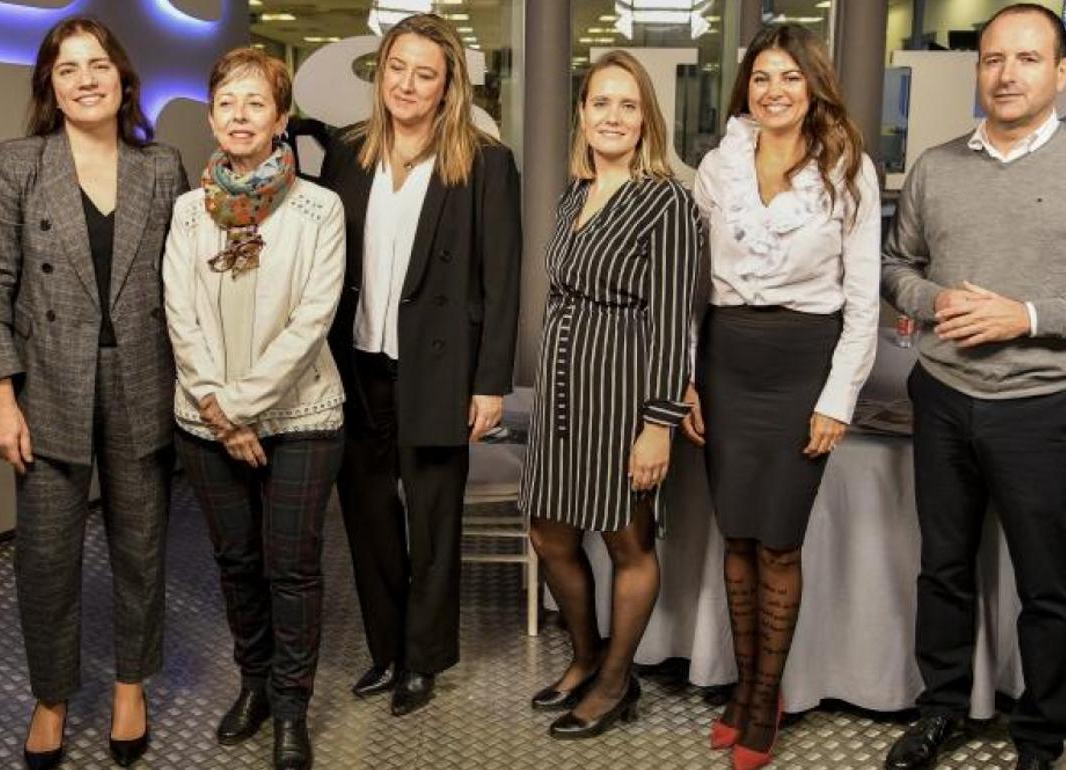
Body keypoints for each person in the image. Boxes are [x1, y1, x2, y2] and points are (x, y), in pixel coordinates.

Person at [881, 6, 1066, 770]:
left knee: (1045, 582)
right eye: (993, 59)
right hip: (941, 397)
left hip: (1040, 407)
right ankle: (942, 709)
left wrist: (1027, 315)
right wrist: (931, 301)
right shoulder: (937, 166)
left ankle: (1041, 739)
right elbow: (895, 266)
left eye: (1028, 59)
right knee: (942, 568)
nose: (1006, 74)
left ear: (1062, 73)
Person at [0, 16, 187, 770]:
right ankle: (50, 696)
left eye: (99, 65)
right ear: (50, 88)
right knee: (46, 560)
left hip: (143, 383)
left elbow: (186, 290)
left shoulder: (163, 167)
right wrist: (0, 398)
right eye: (68, 69)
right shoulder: (17, 163)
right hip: (48, 390)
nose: (86, 78)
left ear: (123, 79)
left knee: (141, 549)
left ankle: (131, 685)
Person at [680, 23, 881, 770]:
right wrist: (688, 379)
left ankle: (767, 698)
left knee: (779, 541)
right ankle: (742, 686)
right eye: (761, 78)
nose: (774, 91)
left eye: (789, 78)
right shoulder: (717, 166)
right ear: (746, 89)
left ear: (813, 85)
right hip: (728, 359)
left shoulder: (848, 169)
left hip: (803, 364)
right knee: (735, 535)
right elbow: (693, 290)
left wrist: (837, 400)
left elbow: (863, 303)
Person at [320, 13, 521, 717]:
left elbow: (502, 279)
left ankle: (425, 660)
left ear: (447, 85)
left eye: (424, 73)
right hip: (356, 366)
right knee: (369, 519)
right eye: (397, 68)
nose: (407, 83)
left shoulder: (485, 161)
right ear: (382, 73)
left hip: (439, 370)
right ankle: (387, 650)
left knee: (432, 524)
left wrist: (490, 383)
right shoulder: (348, 153)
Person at [163, 47, 346, 770]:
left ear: (280, 120)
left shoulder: (318, 208)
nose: (240, 116)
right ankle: (255, 685)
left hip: (301, 416)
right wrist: (219, 413)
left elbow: (312, 322)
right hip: (204, 422)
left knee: (292, 568)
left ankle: (292, 708)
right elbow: (179, 314)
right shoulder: (186, 211)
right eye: (227, 103)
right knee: (236, 562)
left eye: (255, 103)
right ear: (212, 117)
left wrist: (239, 408)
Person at [521, 49, 702, 741]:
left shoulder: (666, 203)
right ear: (583, 113)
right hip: (561, 393)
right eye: (602, 102)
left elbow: (670, 322)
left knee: (628, 540)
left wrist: (659, 423)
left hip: (623, 398)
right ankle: (587, 654)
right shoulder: (576, 192)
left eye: (629, 105)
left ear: (646, 118)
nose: (614, 116)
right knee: (549, 532)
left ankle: (616, 682)